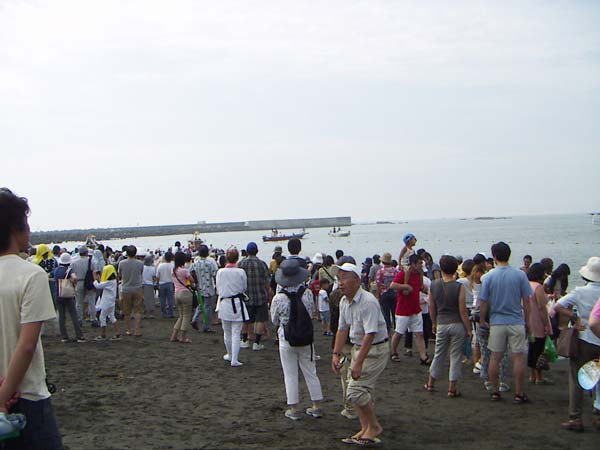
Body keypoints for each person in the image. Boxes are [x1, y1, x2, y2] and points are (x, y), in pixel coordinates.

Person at [0, 188, 63, 449]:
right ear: (16, 229)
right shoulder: (31, 274)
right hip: (25, 395)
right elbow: (27, 345)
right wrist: (3, 397)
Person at [332, 262, 389, 446]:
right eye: (338, 279)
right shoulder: (344, 301)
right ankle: (366, 428)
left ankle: (374, 426)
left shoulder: (368, 301)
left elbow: (370, 334)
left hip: (375, 349)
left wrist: (358, 363)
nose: (340, 283)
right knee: (355, 389)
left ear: (357, 280)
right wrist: (336, 353)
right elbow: (342, 329)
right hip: (358, 347)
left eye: (344, 278)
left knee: (355, 391)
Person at [479, 242, 532, 403]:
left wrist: (482, 319)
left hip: (497, 321)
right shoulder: (520, 275)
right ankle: (519, 393)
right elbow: (526, 301)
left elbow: (483, 301)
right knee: (518, 358)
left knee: (495, 357)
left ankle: (495, 391)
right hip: (516, 320)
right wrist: (528, 321)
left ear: (494, 256)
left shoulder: (489, 276)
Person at [271, 259, 324, 420]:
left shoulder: (278, 298)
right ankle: (317, 406)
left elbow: (274, 320)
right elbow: (312, 311)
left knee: (290, 373)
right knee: (311, 371)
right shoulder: (307, 294)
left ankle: (294, 408)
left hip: (286, 337)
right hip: (306, 336)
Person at [554, 257, 600, 431]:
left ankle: (575, 417)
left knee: (577, 378)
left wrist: (574, 317)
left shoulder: (580, 291)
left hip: (584, 337)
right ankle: (598, 414)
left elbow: (557, 306)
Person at [424, 255, 472, 396]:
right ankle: (452, 388)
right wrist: (468, 329)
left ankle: (430, 383)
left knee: (439, 353)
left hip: (442, 323)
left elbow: (431, 306)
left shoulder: (434, 285)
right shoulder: (459, 286)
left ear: (442, 269)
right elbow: (462, 310)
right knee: (455, 356)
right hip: (457, 323)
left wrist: (434, 322)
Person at [389, 254, 430, 364]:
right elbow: (392, 285)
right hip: (403, 309)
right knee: (399, 333)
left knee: (419, 334)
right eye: (419, 263)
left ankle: (423, 356)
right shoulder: (403, 274)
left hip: (415, 309)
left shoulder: (419, 275)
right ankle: (393, 352)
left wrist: (427, 290)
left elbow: (420, 287)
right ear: (413, 264)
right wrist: (405, 287)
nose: (421, 265)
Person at [216, 248, 248, 367]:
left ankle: (230, 355)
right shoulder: (241, 272)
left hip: (225, 303)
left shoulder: (220, 272)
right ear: (237, 258)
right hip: (237, 303)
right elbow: (244, 287)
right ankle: (234, 358)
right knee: (235, 333)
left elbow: (218, 288)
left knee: (227, 332)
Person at [238, 242, 271, 350]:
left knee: (245, 319)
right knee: (260, 320)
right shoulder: (262, 264)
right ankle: (257, 343)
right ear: (257, 251)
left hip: (246, 296)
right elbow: (267, 282)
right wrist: (269, 293)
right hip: (260, 296)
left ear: (247, 252)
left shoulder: (241, 264)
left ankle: (244, 341)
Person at [525, 263, 553, 384]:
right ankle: (539, 377)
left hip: (528, 319)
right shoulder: (538, 287)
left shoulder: (526, 285)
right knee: (539, 348)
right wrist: (547, 324)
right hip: (537, 320)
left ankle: (532, 375)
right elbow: (542, 307)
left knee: (532, 348)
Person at [53, 253, 86, 343]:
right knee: (73, 315)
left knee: (62, 316)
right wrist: (72, 282)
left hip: (58, 294)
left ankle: (64, 337)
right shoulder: (69, 270)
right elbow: (74, 278)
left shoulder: (56, 270)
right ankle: (79, 336)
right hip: (68, 295)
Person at [190, 245, 219, 333]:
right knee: (208, 307)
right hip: (209, 287)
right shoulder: (210, 262)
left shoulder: (196, 263)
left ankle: (195, 319)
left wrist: (195, 281)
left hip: (199, 287)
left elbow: (190, 272)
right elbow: (215, 274)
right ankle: (206, 326)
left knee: (201, 305)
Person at [118, 245, 144, 337]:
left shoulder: (122, 263)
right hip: (137, 288)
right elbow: (140, 273)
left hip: (126, 288)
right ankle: (136, 330)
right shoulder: (140, 263)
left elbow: (120, 275)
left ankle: (128, 330)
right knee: (137, 311)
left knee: (127, 311)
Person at [170, 252, 194, 344]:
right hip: (185, 293)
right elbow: (192, 280)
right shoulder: (184, 270)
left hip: (176, 293)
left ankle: (174, 335)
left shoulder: (173, 270)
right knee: (186, 316)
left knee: (181, 316)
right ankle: (183, 337)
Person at [93, 265, 121, 341]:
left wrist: (95, 279)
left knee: (102, 317)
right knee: (111, 316)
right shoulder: (113, 281)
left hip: (107, 302)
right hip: (111, 301)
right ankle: (117, 333)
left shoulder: (108, 282)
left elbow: (98, 286)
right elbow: (102, 283)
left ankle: (103, 334)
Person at [70, 245, 96, 324]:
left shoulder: (74, 262)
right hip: (89, 283)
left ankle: (79, 319)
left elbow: (72, 274)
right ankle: (93, 319)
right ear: (86, 252)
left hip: (79, 282)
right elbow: (95, 273)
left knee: (79, 303)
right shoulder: (92, 261)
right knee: (92, 301)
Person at [375, 252, 399, 334]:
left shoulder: (380, 271)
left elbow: (378, 284)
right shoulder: (395, 270)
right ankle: (397, 328)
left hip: (384, 293)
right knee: (395, 312)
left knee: (385, 313)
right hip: (394, 293)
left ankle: (388, 329)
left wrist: (378, 295)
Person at [156, 251, 175, 318]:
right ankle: (171, 313)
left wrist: (157, 283)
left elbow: (157, 276)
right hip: (170, 283)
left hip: (162, 283)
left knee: (162, 299)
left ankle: (163, 313)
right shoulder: (173, 265)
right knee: (170, 299)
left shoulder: (160, 265)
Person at [142, 254, 156, 318]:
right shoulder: (153, 268)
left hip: (142, 284)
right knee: (150, 299)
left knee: (143, 299)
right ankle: (151, 313)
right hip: (150, 284)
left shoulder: (142, 267)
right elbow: (154, 278)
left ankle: (144, 313)